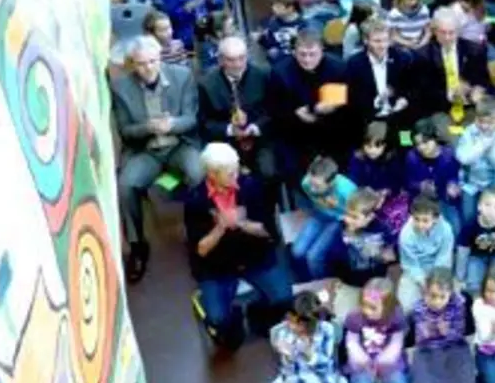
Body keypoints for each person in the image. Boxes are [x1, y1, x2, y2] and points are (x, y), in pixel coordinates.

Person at [111, 36, 203, 282]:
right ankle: (137, 245)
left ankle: (198, 231)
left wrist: (172, 124)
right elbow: (126, 130)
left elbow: (191, 118)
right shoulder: (121, 87)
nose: (149, 68)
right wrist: (148, 128)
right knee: (126, 185)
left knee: (198, 173)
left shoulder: (182, 76)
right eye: (141, 64)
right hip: (146, 149)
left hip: (178, 145)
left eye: (153, 61)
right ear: (133, 64)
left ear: (160, 58)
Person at [185, 142, 291, 349]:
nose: (237, 177)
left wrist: (242, 223)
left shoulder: (251, 186)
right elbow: (200, 249)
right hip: (217, 267)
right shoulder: (195, 200)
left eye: (236, 170)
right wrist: (220, 228)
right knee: (218, 320)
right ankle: (231, 319)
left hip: (254, 257)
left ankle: (257, 312)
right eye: (230, 174)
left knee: (283, 298)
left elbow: (270, 232)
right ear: (212, 174)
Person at [269, 31, 349, 175]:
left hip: (331, 130)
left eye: (312, 54)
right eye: (302, 54)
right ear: (294, 52)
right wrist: (294, 113)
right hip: (296, 133)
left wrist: (323, 108)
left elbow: (344, 103)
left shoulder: (338, 68)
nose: (307, 60)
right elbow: (275, 110)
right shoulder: (280, 73)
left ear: (322, 51)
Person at [197, 35, 276, 181]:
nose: (238, 64)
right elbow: (204, 123)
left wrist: (256, 127)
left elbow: (272, 111)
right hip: (225, 141)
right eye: (231, 60)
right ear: (220, 60)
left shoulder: (263, 74)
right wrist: (229, 130)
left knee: (269, 171)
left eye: (241, 58)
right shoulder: (206, 84)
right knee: (222, 174)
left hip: (259, 138)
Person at [416, 7, 490, 127]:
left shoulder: (474, 50)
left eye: (452, 32)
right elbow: (424, 93)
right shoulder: (424, 56)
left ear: (458, 31)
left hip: (469, 106)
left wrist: (476, 90)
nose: (447, 37)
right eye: (443, 32)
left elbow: (485, 81)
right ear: (434, 31)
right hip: (441, 110)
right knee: (456, 139)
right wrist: (451, 95)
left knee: (478, 135)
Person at [343, 18, 412, 138]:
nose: (383, 46)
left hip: (400, 119)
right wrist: (376, 102)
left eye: (386, 40)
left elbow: (411, 88)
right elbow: (352, 99)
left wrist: (404, 99)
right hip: (370, 119)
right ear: (366, 40)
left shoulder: (402, 58)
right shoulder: (354, 64)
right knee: (377, 143)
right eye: (377, 41)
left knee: (405, 144)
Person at [454, 96, 495, 226]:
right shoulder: (469, 133)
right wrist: (481, 147)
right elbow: (463, 158)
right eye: (481, 121)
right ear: (475, 118)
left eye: (490, 123)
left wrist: (491, 152)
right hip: (472, 184)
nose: (485, 126)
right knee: (468, 218)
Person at [293, 157, 356, 280]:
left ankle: (321, 282)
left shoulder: (348, 190)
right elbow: (313, 199)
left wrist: (337, 207)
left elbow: (356, 214)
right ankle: (306, 278)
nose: (312, 189)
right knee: (297, 252)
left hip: (339, 220)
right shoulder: (306, 183)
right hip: (319, 214)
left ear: (331, 183)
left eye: (317, 186)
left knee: (313, 257)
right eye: (311, 183)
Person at [405, 118, 463, 233]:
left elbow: (455, 177)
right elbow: (407, 182)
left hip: (443, 199)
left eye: (425, 142)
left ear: (435, 138)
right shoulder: (411, 157)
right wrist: (420, 186)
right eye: (418, 144)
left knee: (456, 229)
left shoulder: (449, 155)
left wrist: (453, 185)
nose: (421, 147)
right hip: (421, 201)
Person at [397, 196, 455, 310]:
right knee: (405, 306)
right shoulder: (405, 234)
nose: (420, 224)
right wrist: (422, 282)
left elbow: (444, 257)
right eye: (416, 219)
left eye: (425, 220)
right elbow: (410, 263)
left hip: (439, 269)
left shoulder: (446, 229)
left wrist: (434, 280)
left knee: (446, 302)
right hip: (415, 270)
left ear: (435, 219)